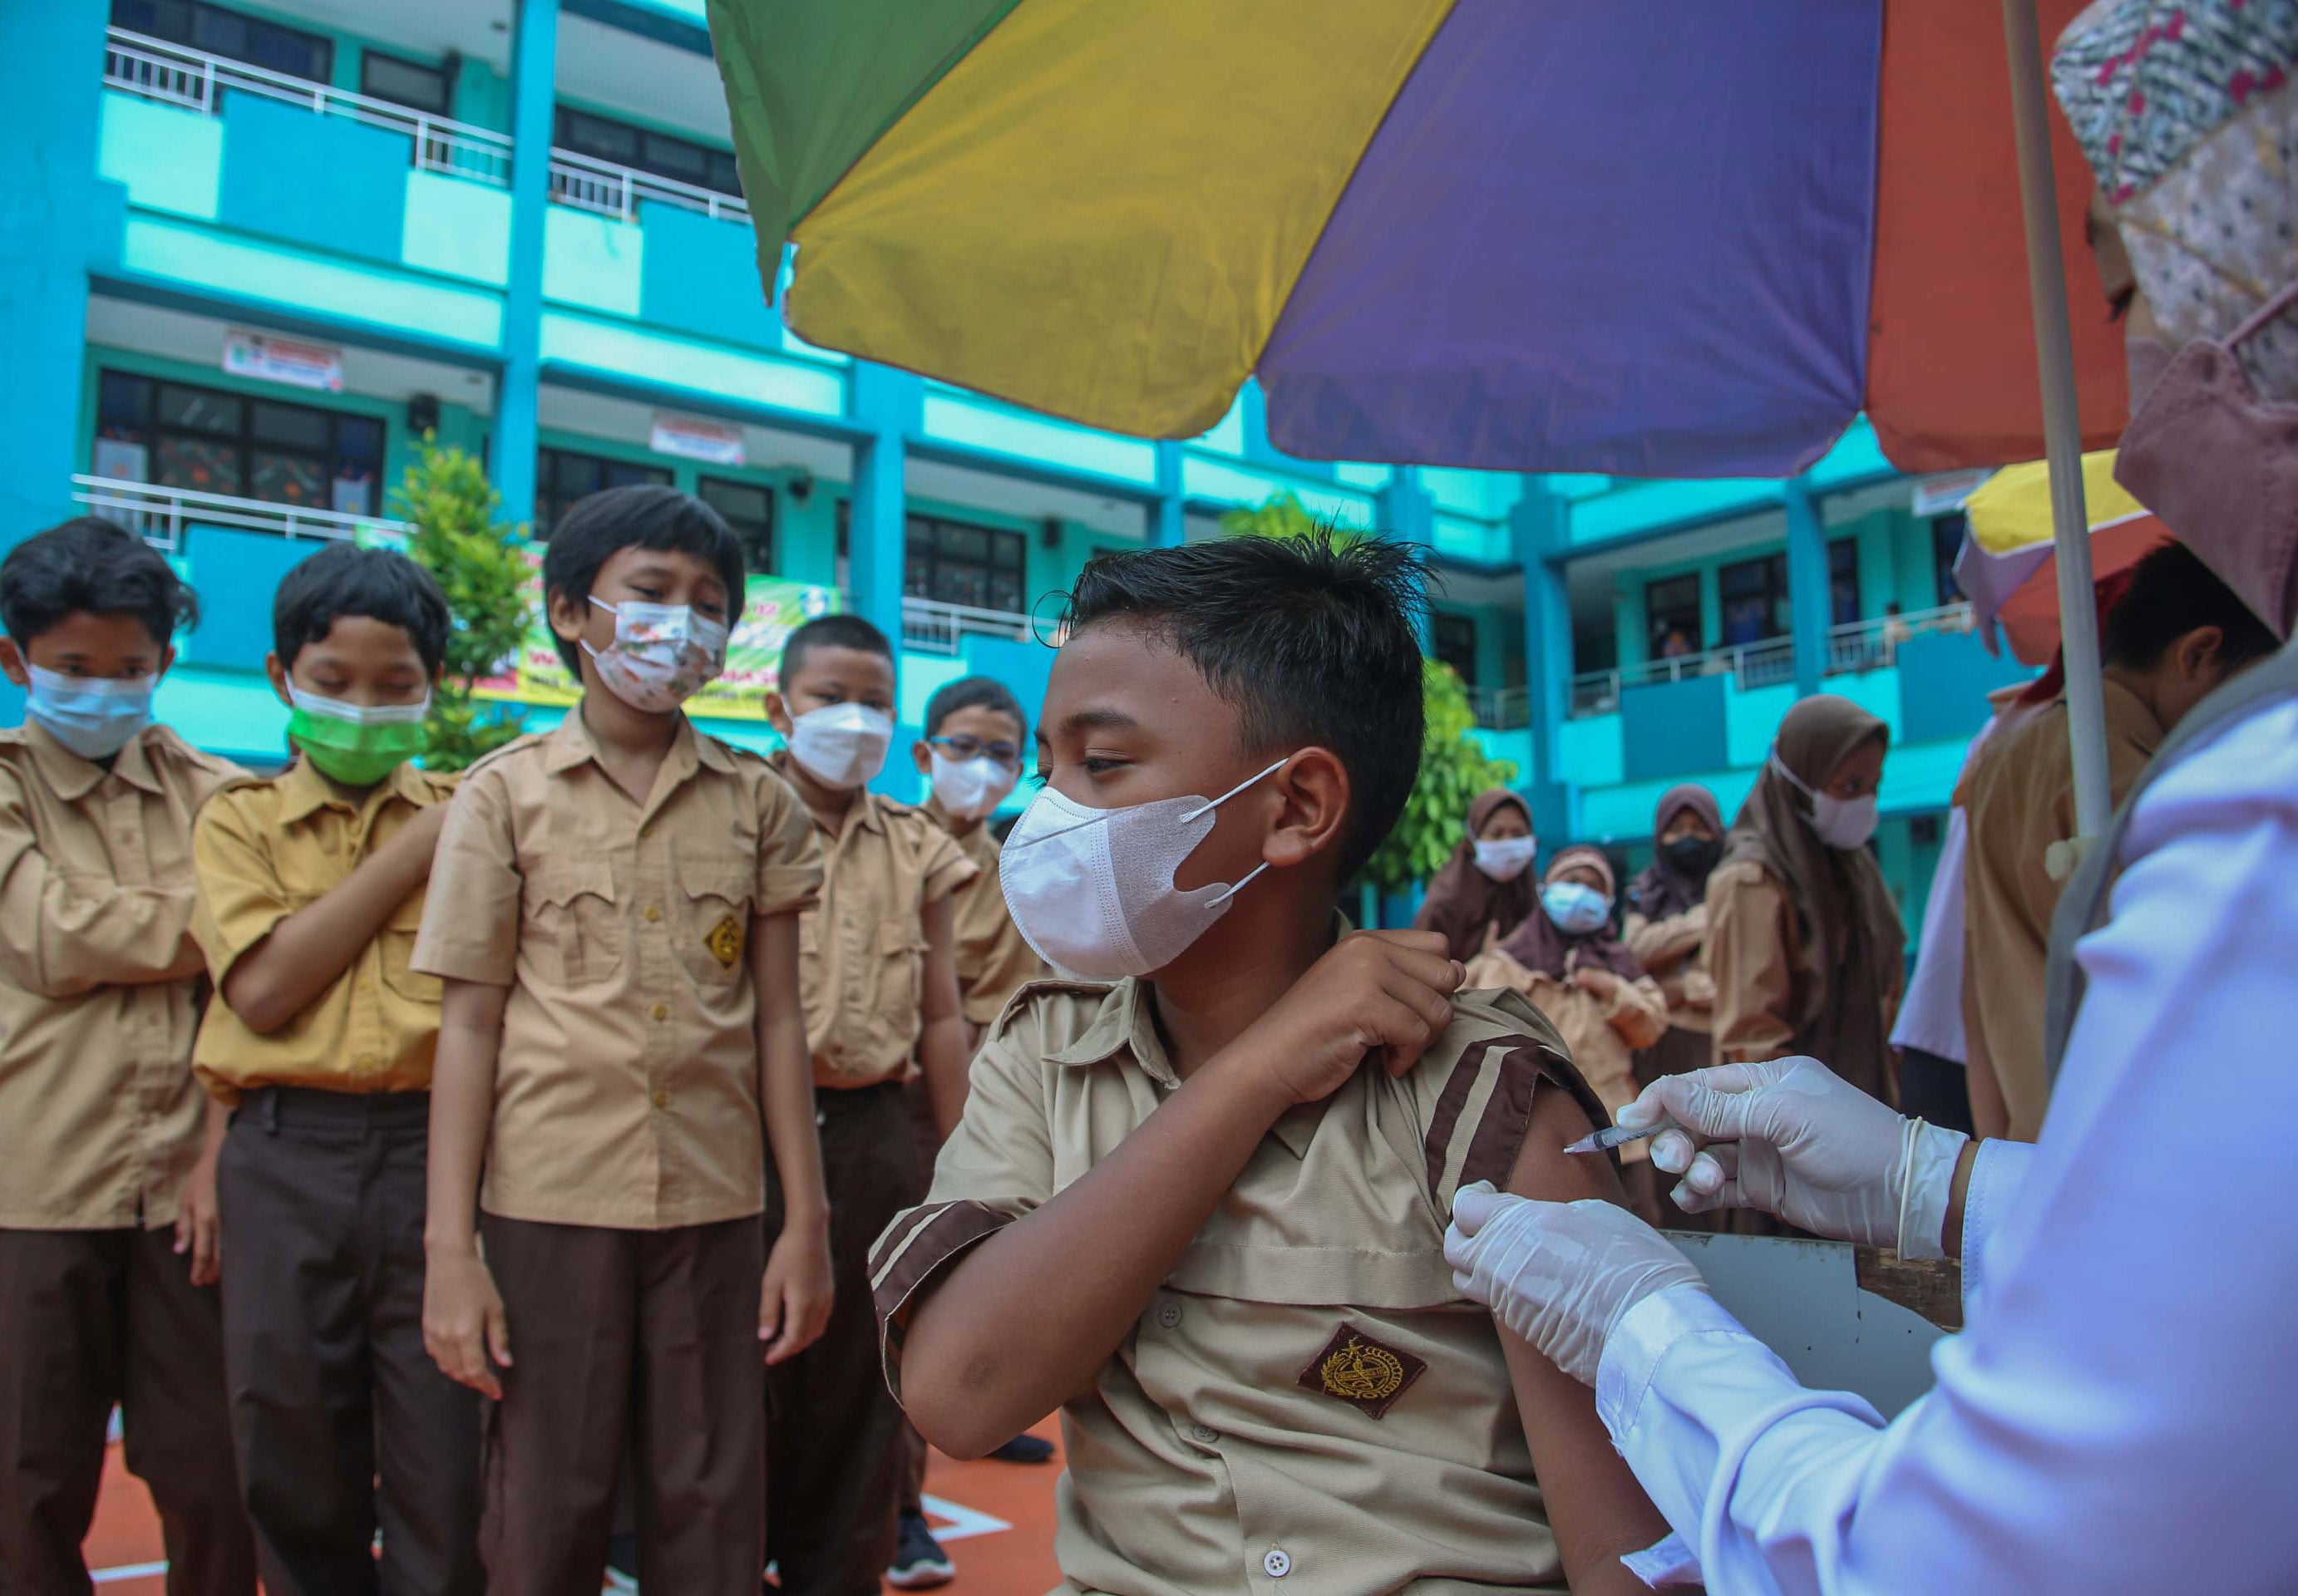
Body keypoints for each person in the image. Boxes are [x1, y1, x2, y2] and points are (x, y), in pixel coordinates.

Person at [1439, 6, 2298, 1588]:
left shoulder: (2257, 815)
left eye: (2131, 293)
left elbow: (1988, 1552)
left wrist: (1651, 1337)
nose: (2148, 419)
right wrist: (1938, 1186)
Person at [872, 532, 1681, 1596]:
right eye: (1047, 765)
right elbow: (960, 1394)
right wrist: (1259, 1071)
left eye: (1101, 764)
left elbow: (1629, 1554)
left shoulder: (1483, 1092)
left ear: (1296, 806)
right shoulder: (1043, 1054)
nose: (1047, 810)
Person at [414, 485, 831, 1595]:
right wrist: (449, 1251)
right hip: (550, 1201)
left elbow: (780, 1020)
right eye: (650, 593)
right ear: (569, 612)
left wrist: (806, 1224)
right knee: (548, 1499)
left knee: (712, 1499)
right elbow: (468, 1025)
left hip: (717, 1203)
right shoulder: (501, 798)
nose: (681, 624)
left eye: (708, 604)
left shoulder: (760, 804)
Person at [188, 545, 479, 1596]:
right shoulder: (236, 819)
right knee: (289, 1446)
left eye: (396, 687)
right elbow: (261, 993)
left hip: (436, 1159)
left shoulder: (478, 816)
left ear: (433, 689)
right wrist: (412, 851)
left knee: (447, 1458)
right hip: (281, 1159)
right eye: (332, 683)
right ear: (279, 679)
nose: (364, 708)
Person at [0, 518, 257, 1596]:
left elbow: (253, 999)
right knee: (27, 1476)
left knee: (214, 1472)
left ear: (164, 662)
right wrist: (221, 917)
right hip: (33, 1184)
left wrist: (213, 1156)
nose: (102, 689)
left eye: (130, 668)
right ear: (16, 661)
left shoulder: (220, 793)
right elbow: (47, 936)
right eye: (72, 668)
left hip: (187, 1193)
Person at [765, 613, 974, 1596]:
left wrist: (965, 1162)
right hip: (747, 1137)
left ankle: (841, 1563)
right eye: (829, 700)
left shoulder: (918, 846)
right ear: (780, 709)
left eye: (876, 704)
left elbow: (942, 1017)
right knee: (741, 1372)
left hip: (875, 1129)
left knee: (861, 1374)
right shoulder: (735, 817)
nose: (853, 722)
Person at [1958, 539, 2276, 1140]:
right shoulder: (2120, 771)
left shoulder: (2006, 751)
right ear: (2201, 653)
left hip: (2041, 1127)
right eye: (2259, 689)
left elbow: (1977, 985)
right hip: (2123, 1129)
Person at [892, 673, 1048, 1589]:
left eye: (1002, 753)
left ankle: (986, 1417)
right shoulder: (885, 848)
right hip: (899, 1100)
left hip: (988, 1104)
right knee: (894, 1310)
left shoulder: (1017, 868)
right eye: (963, 747)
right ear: (925, 754)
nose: (981, 769)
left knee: (974, 1284)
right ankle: (899, 1507)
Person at [1705, 693, 1903, 1103]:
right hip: (1793, 1130)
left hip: (1867, 1109)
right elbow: (1753, 1037)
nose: (1864, 802)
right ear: (1800, 782)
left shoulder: (1853, 868)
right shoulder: (1752, 881)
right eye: (1848, 786)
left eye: (1873, 786)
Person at [1466, 845, 1671, 1225]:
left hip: (1620, 1128)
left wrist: (1611, 990)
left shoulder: (1619, 961)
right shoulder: (1510, 961)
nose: (1580, 894)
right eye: (1571, 882)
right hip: (1537, 1125)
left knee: (1639, 1231)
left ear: (1608, 899)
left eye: (1593, 886)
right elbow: (1485, 1032)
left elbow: (1653, 1025)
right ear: (1546, 889)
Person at [1623, 784, 1723, 1096]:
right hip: (1662, 1040)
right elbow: (1635, 951)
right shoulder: (1647, 891)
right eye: (1676, 829)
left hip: (1725, 1038)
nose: (1687, 838)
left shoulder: (1733, 883)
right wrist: (1702, 919)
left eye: (1698, 828)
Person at [1412, 786, 1538, 963]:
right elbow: (1420, 974)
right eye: (1496, 834)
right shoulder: (1445, 904)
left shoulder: (1529, 893)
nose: (1508, 843)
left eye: (1518, 834)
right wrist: (1486, 964)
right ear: (1472, 843)